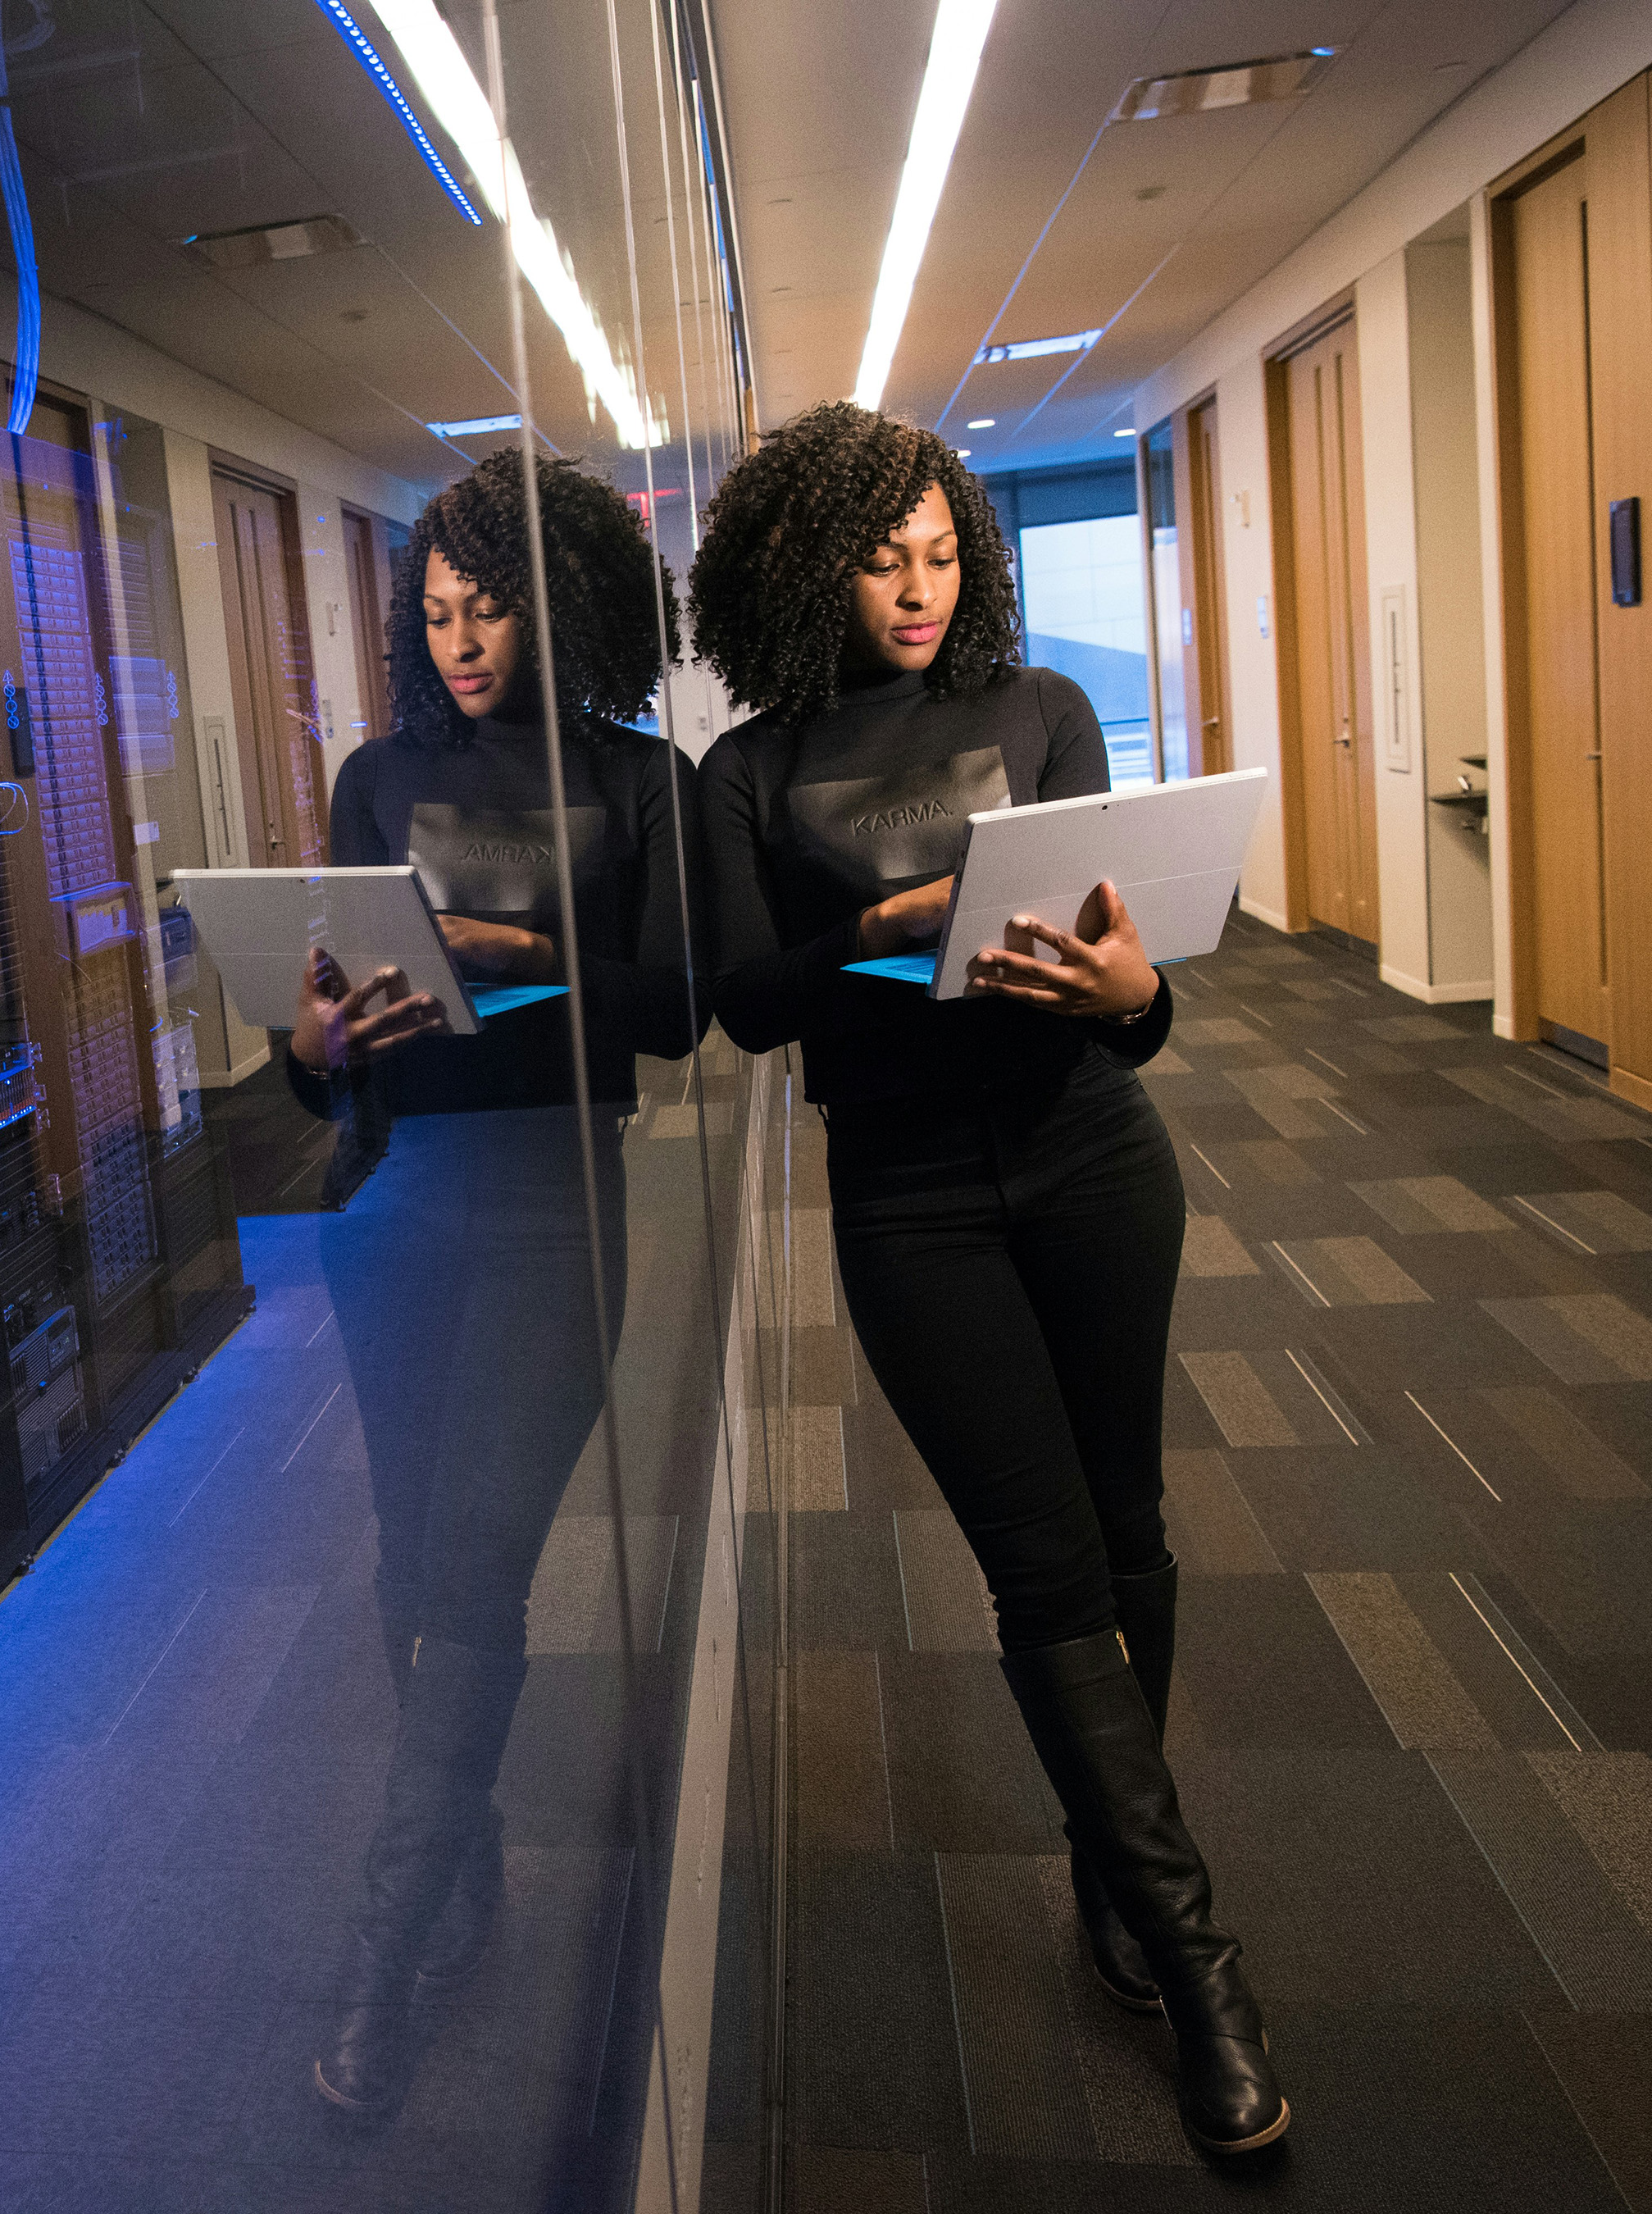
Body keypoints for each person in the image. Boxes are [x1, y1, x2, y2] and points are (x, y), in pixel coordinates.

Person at [687, 401, 1288, 2158]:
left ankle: (1116, 1868)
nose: (922, 588)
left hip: (1093, 1152)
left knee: (1130, 1530)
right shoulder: (752, 771)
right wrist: (872, 933)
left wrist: (1136, 998)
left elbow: (1133, 978)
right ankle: (1199, 1971)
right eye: (884, 560)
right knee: (1041, 1573)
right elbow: (741, 998)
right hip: (910, 1196)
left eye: (946, 555)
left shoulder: (1045, 713)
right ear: (809, 567)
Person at [284, 449, 702, 2112]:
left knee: (473, 1572)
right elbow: (322, 1053)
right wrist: (316, 1043)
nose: (462, 641)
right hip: (398, 1200)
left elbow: (681, 1012)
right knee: (407, 1568)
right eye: (439, 612)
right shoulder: (375, 776)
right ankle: (465, 1873)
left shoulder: (636, 778)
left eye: (492, 607)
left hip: (555, 1211)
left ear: (562, 598)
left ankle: (382, 1953)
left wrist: (535, 957)